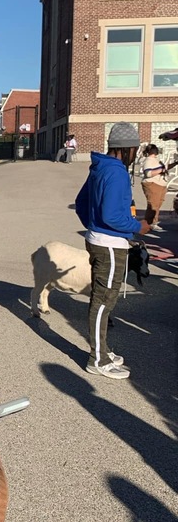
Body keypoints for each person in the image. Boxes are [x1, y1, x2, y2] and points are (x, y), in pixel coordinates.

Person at [75, 122, 151, 380]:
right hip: (109, 244)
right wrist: (137, 227)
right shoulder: (117, 172)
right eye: (136, 149)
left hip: (99, 240)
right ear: (127, 148)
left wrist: (92, 226)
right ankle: (98, 359)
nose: (136, 154)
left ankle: (103, 351)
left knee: (103, 299)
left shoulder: (99, 167)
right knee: (104, 301)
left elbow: (81, 203)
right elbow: (112, 215)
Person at [140, 143, 177, 232]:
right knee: (153, 205)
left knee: (157, 205)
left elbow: (164, 168)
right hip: (153, 184)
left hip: (160, 184)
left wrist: (174, 163)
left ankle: (152, 223)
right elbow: (148, 173)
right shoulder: (148, 160)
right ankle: (150, 223)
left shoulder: (156, 160)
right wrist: (161, 170)